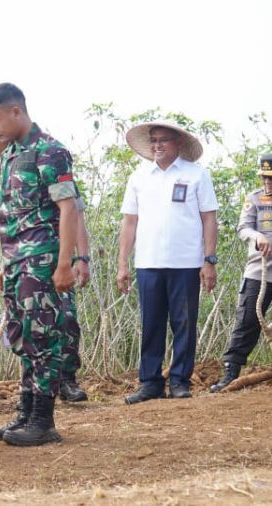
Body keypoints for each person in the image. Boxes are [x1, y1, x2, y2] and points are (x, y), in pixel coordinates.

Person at [0, 83, 78, 447]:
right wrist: (6, 262)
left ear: (16, 111)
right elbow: (8, 215)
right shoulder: (9, 155)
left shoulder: (50, 152)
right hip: (16, 262)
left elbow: (69, 209)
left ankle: (43, 420)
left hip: (43, 260)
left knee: (45, 337)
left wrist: (66, 262)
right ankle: (24, 411)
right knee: (22, 337)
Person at [117, 121, 218, 403]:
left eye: (163, 140)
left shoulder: (196, 174)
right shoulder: (139, 177)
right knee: (151, 323)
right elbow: (129, 222)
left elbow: (209, 218)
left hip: (186, 262)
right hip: (148, 262)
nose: (157, 145)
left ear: (178, 143)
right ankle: (150, 383)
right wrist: (122, 264)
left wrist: (209, 260)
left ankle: (179, 381)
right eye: (153, 140)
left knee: (184, 323)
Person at [0, 140, 91, 403]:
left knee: (64, 320)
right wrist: (7, 263)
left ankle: (65, 380)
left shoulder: (50, 166)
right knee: (26, 329)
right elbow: (3, 230)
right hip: (20, 264)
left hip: (50, 260)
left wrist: (80, 259)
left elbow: (74, 216)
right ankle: (34, 399)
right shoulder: (6, 187)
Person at [211, 154, 272, 392]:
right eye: (264, 178)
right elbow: (243, 227)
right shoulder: (254, 198)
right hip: (259, 270)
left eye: (271, 179)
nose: (267, 183)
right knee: (247, 320)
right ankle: (231, 372)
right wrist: (257, 236)